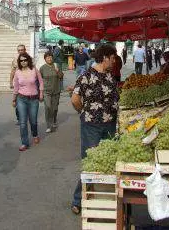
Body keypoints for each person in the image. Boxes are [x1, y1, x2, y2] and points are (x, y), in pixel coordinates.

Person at [70, 44, 119, 215]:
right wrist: (84, 112)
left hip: (110, 124)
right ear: (105, 57)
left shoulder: (110, 76)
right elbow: (75, 98)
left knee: (109, 161)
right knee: (90, 162)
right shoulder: (86, 76)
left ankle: (104, 198)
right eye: (112, 58)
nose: (114, 62)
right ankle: (78, 200)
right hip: (91, 125)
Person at [12, 52, 44, 151]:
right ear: (19, 62)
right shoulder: (17, 72)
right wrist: (14, 99)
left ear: (28, 60)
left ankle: (35, 134)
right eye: (21, 61)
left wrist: (41, 93)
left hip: (34, 99)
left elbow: (41, 82)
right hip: (21, 98)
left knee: (33, 120)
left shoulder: (34, 70)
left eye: (25, 60)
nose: (23, 62)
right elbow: (16, 87)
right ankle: (24, 143)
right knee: (23, 122)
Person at [39, 51, 62, 132]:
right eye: (47, 57)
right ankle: (49, 125)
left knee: (55, 108)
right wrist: (40, 92)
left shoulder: (56, 65)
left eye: (50, 57)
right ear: (45, 59)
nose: (49, 58)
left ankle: (54, 120)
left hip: (56, 90)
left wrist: (57, 70)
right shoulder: (42, 68)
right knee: (48, 108)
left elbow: (61, 76)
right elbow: (39, 80)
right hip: (46, 91)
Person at [10, 44, 27, 125]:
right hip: (18, 85)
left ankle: (25, 116)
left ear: (25, 50)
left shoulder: (29, 59)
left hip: (27, 85)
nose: (20, 51)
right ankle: (19, 118)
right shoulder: (15, 60)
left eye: (22, 50)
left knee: (27, 102)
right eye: (19, 50)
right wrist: (10, 82)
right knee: (17, 103)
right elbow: (12, 72)